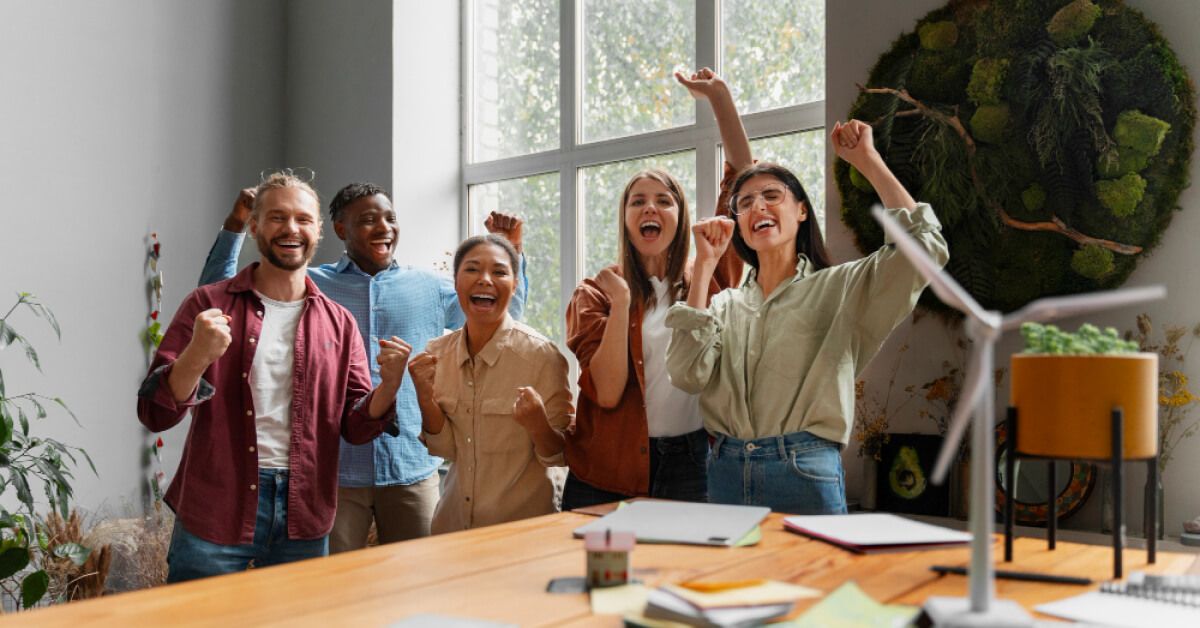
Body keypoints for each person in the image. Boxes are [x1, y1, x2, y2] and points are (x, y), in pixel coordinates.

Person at [199, 182, 527, 551]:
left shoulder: (430, 287)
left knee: (415, 586)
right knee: (337, 591)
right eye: (369, 219)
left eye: (390, 218)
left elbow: (506, 315)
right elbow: (215, 296)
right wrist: (236, 223)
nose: (384, 227)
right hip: (335, 472)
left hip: (412, 470)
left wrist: (510, 249)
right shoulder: (309, 286)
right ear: (341, 229)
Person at [666, 120, 950, 514]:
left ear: (801, 210)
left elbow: (924, 249)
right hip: (725, 472)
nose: (757, 207)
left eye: (770, 195)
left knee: (817, 579)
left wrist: (868, 161)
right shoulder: (724, 305)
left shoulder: (841, 288)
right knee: (730, 579)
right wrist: (704, 267)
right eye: (744, 203)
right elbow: (686, 373)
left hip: (803, 471)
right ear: (740, 229)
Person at [138, 172, 406, 582]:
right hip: (216, 503)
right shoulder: (208, 303)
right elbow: (155, 415)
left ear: (318, 230)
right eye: (277, 217)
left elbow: (355, 425)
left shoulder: (340, 323)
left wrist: (388, 387)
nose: (291, 229)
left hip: (304, 513)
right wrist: (196, 356)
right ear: (254, 226)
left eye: (302, 219)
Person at [560, 68, 749, 509]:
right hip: (607, 467)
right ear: (626, 219)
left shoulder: (712, 269)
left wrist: (720, 99)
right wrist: (623, 302)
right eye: (638, 201)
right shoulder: (595, 293)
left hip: (693, 461)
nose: (651, 207)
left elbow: (742, 180)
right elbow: (607, 393)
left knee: (684, 573)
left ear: (680, 216)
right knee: (602, 576)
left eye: (664, 200)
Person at [407, 235, 573, 534]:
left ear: (515, 284)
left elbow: (558, 455)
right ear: (455, 282)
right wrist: (424, 396)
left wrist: (537, 424)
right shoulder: (436, 353)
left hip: (523, 533)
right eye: (472, 269)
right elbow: (444, 448)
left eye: (499, 272)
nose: (485, 280)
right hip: (452, 528)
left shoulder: (541, 356)